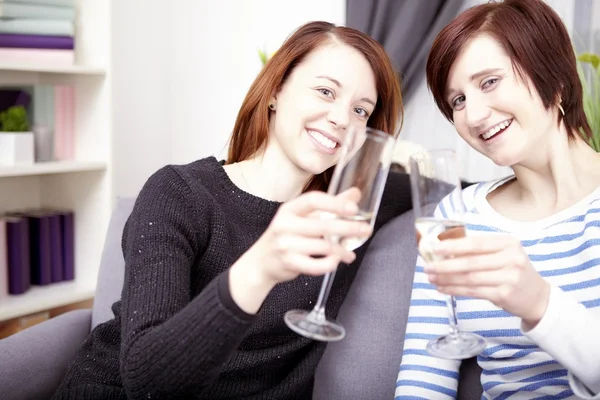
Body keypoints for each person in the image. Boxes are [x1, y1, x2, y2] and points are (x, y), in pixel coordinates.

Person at [52, 21, 412, 400]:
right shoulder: (179, 193)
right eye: (325, 91)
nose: (342, 120)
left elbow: (451, 190)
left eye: (361, 110)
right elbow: (148, 385)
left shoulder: (355, 204)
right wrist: (259, 268)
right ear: (276, 90)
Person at [395, 0, 600, 399]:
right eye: (457, 101)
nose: (473, 116)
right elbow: (424, 378)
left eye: (489, 82)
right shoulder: (456, 214)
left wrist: (539, 304)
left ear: (553, 76)